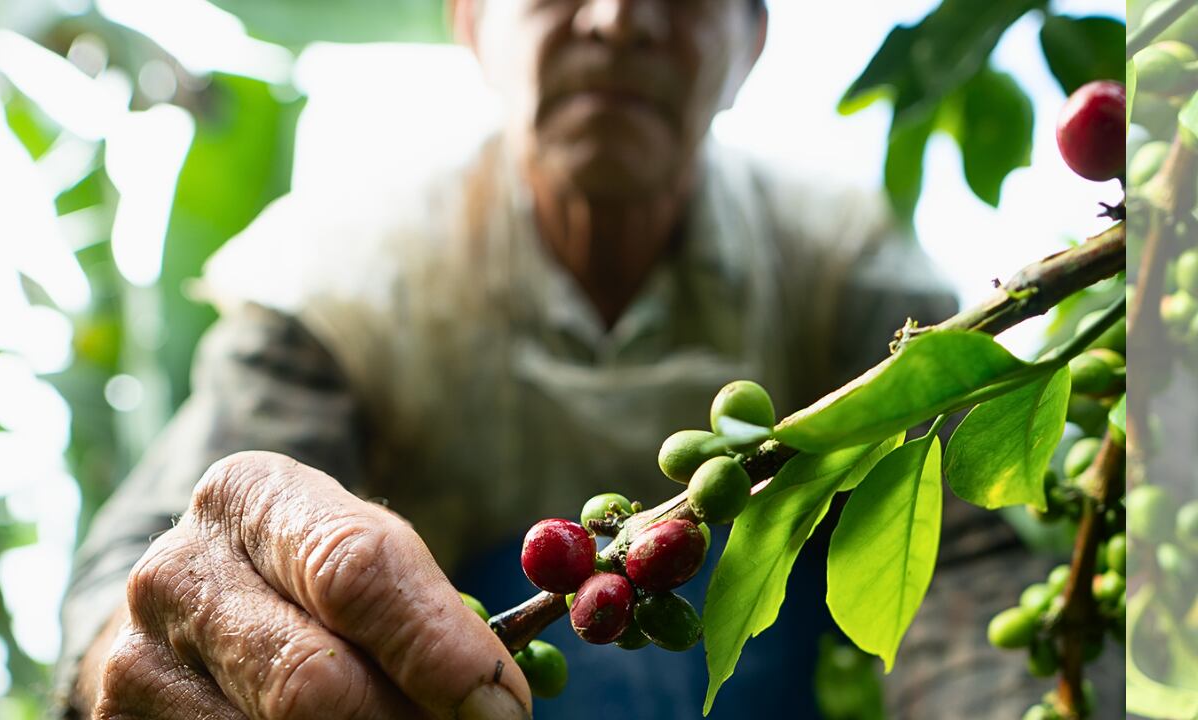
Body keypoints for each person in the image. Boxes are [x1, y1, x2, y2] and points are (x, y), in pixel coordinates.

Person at [54, 1, 1121, 718]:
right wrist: (182, 647)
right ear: (471, 25)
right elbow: (142, 583)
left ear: (748, 47)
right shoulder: (342, 281)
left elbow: (961, 579)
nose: (617, 20)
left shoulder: (843, 267)